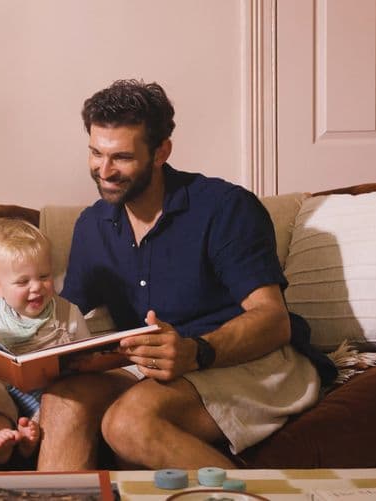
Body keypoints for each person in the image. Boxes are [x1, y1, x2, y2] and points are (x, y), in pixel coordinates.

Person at [37, 79, 332, 470]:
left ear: (161, 152)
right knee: (63, 402)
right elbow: (66, 319)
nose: (103, 170)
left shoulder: (224, 208)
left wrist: (196, 351)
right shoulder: (92, 225)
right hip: (153, 369)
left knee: (127, 422)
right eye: (95, 152)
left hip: (247, 361)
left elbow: (273, 321)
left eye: (121, 157)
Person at [0, 218, 91, 464]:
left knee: (60, 399)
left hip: (50, 394)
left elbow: (88, 356)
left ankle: (31, 437)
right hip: (7, 393)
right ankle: (1, 437)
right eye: (23, 282)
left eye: (44, 276)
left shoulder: (68, 313)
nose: (37, 287)